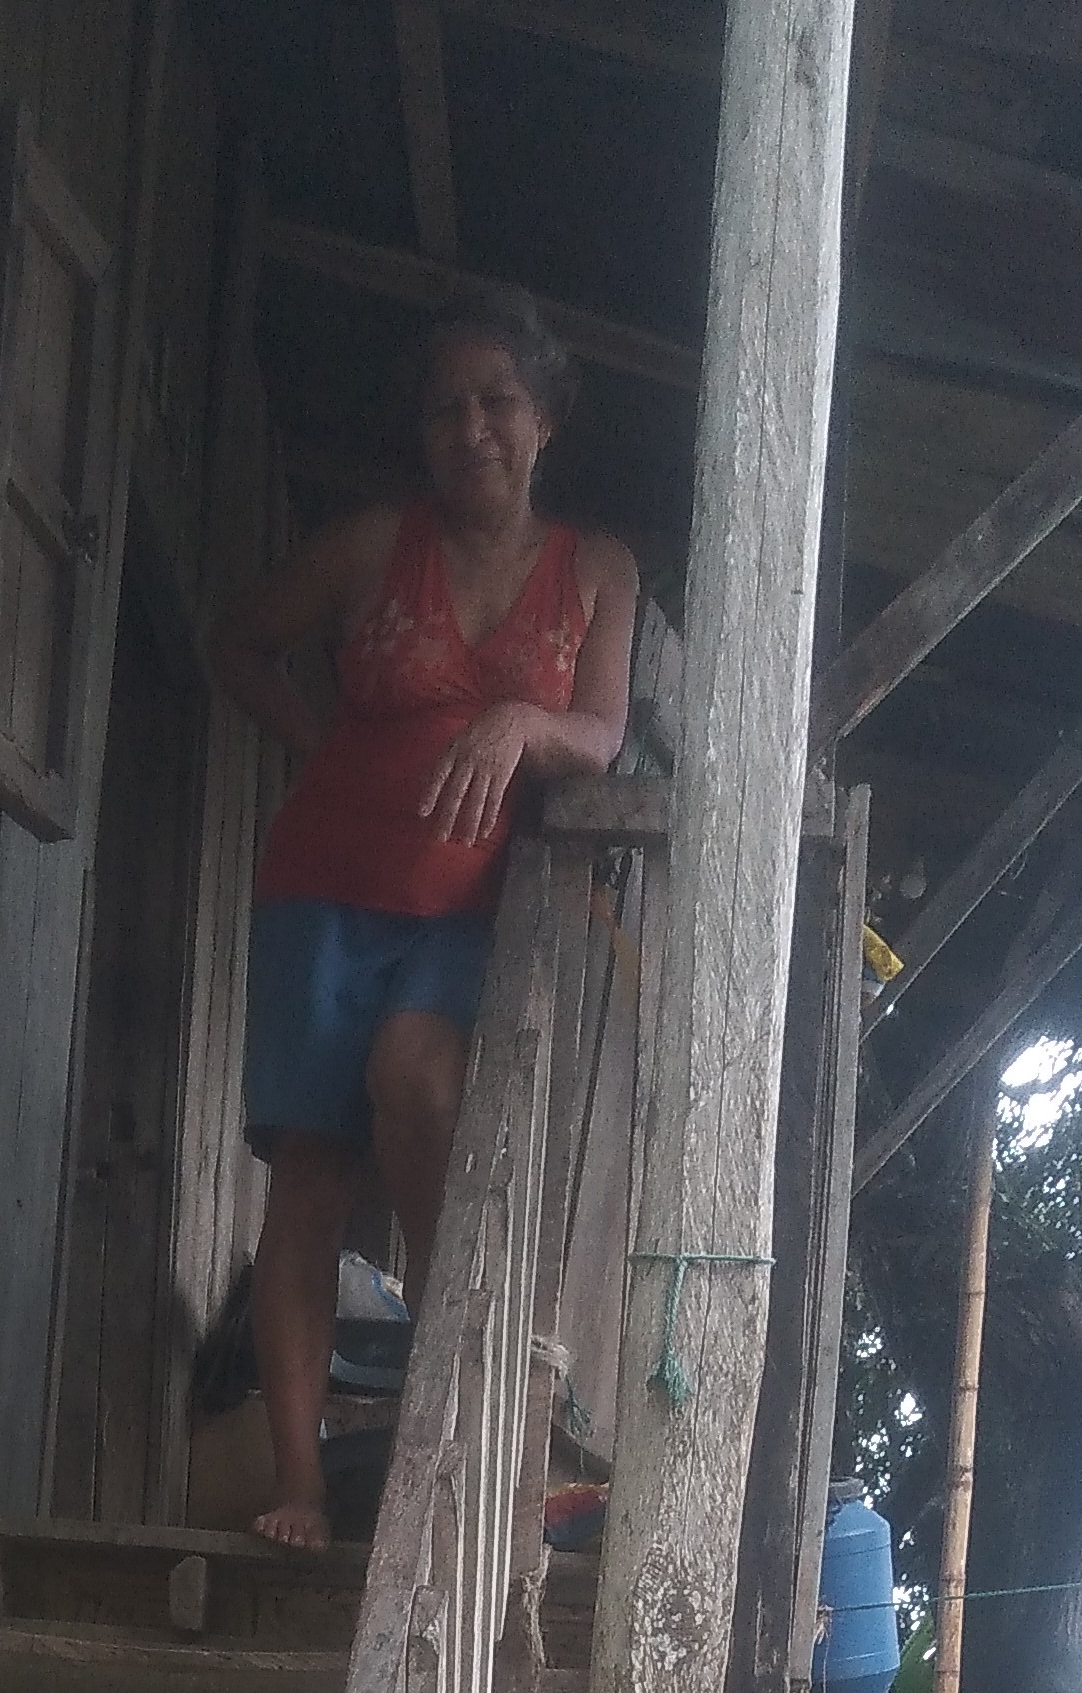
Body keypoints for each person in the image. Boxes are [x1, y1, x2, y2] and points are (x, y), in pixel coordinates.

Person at [212, 285, 638, 1548]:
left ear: (546, 420)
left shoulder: (596, 569)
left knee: (420, 1081)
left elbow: (601, 737)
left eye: (497, 402)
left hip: (466, 906)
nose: (472, 430)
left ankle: (464, 1399)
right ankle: (300, 1484)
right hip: (321, 891)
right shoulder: (368, 546)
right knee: (309, 1179)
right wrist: (317, 744)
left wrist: (516, 723)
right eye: (446, 410)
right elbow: (241, 640)